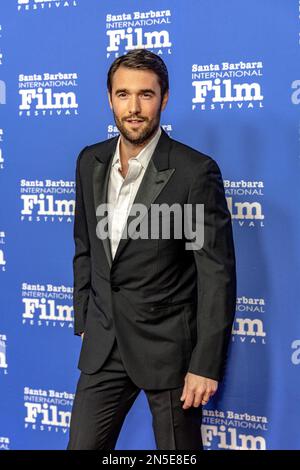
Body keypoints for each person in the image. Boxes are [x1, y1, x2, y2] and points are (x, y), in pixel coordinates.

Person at [66, 49, 236, 450]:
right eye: (123, 95)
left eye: (146, 94)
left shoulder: (195, 172)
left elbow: (215, 274)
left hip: (170, 353)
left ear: (164, 98)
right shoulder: (89, 160)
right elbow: (84, 245)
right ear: (109, 99)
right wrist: (85, 314)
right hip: (103, 346)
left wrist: (205, 364)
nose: (134, 107)